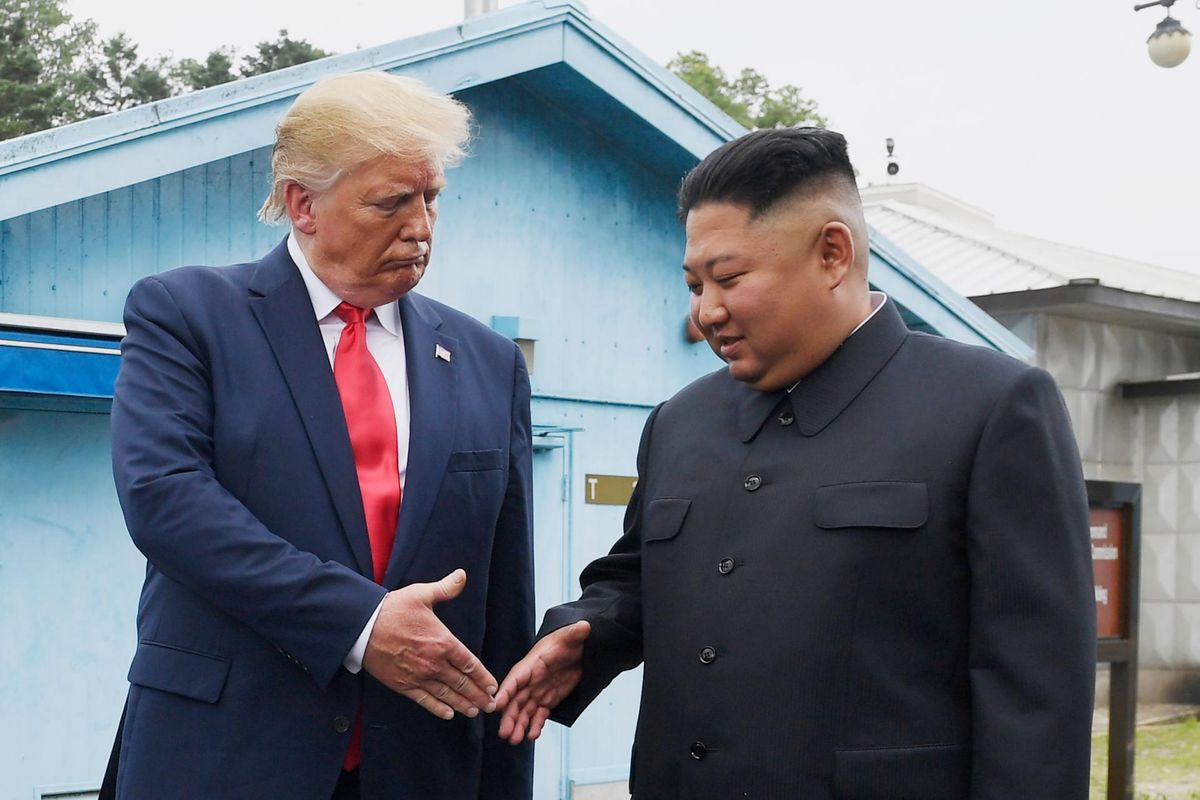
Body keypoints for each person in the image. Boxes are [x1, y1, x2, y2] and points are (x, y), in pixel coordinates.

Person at [496, 127, 1095, 799]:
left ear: (832, 254)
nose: (706, 312)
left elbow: (1037, 691)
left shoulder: (989, 408)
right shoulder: (679, 421)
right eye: (695, 284)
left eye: (728, 278)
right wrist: (587, 633)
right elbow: (635, 577)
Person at [105, 71, 534, 799]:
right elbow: (166, 501)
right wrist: (361, 622)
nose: (421, 227)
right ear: (303, 203)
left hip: (421, 768)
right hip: (224, 757)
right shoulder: (188, 314)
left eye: (431, 199)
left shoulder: (488, 362)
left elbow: (502, 598)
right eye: (392, 203)